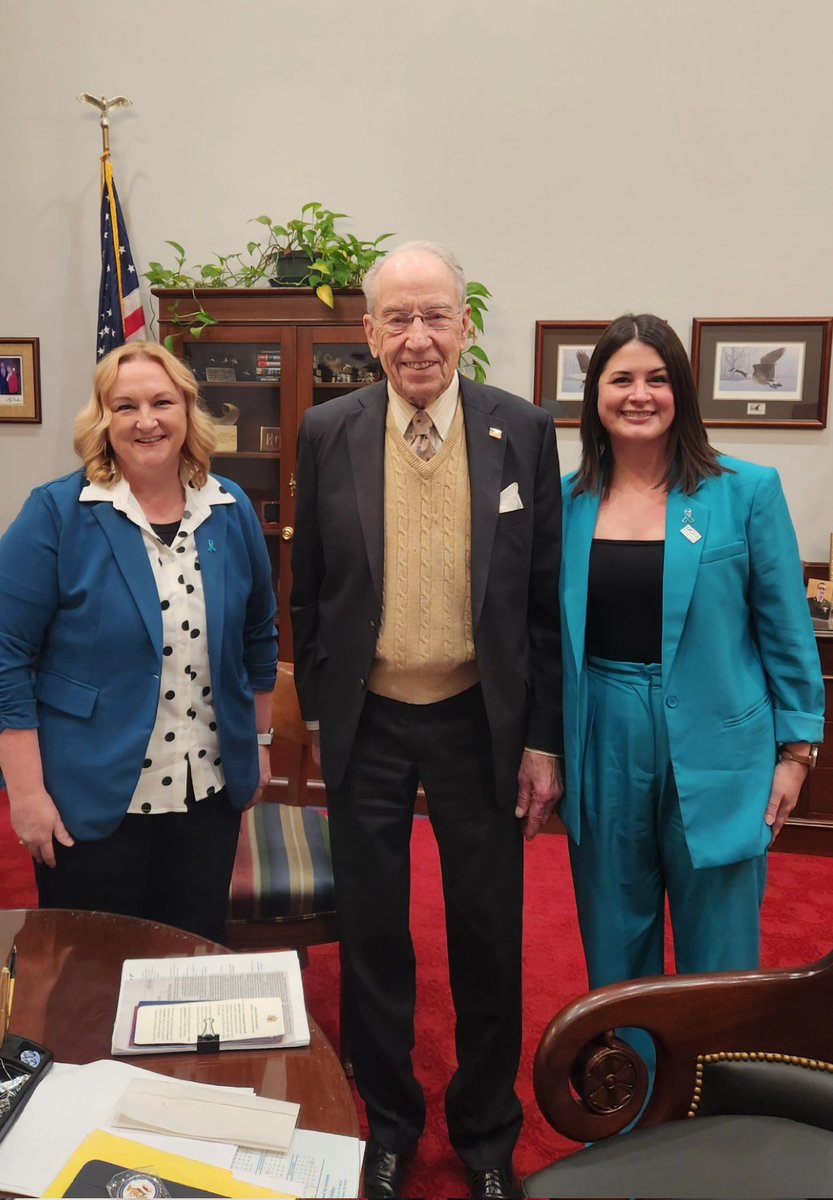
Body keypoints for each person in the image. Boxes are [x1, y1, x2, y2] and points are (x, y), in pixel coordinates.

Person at [291, 242, 563, 1199]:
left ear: (466, 323)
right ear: (367, 332)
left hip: (475, 722)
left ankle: (487, 1137)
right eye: (396, 319)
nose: (417, 339)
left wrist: (540, 739)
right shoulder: (327, 428)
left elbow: (540, 604)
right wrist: (322, 712)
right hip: (367, 718)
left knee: (487, 935)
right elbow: (310, 588)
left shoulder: (521, 430)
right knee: (372, 937)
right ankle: (392, 1125)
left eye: (434, 315)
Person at [560, 312, 824, 1010]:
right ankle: (629, 1104)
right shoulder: (565, 504)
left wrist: (796, 753)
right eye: (620, 379)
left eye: (656, 378)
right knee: (615, 943)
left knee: (721, 954)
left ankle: (720, 1106)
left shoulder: (745, 490)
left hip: (722, 743)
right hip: (604, 736)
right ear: (595, 396)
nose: (638, 394)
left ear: (681, 390)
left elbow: (786, 631)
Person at [0, 341, 277, 943]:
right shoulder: (57, 514)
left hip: (206, 790)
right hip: (91, 798)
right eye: (125, 406)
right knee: (89, 975)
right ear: (103, 420)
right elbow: (6, 659)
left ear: (187, 411)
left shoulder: (229, 510)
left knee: (188, 957)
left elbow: (259, 637)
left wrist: (259, 743)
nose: (146, 420)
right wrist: (25, 794)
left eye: (162, 402)